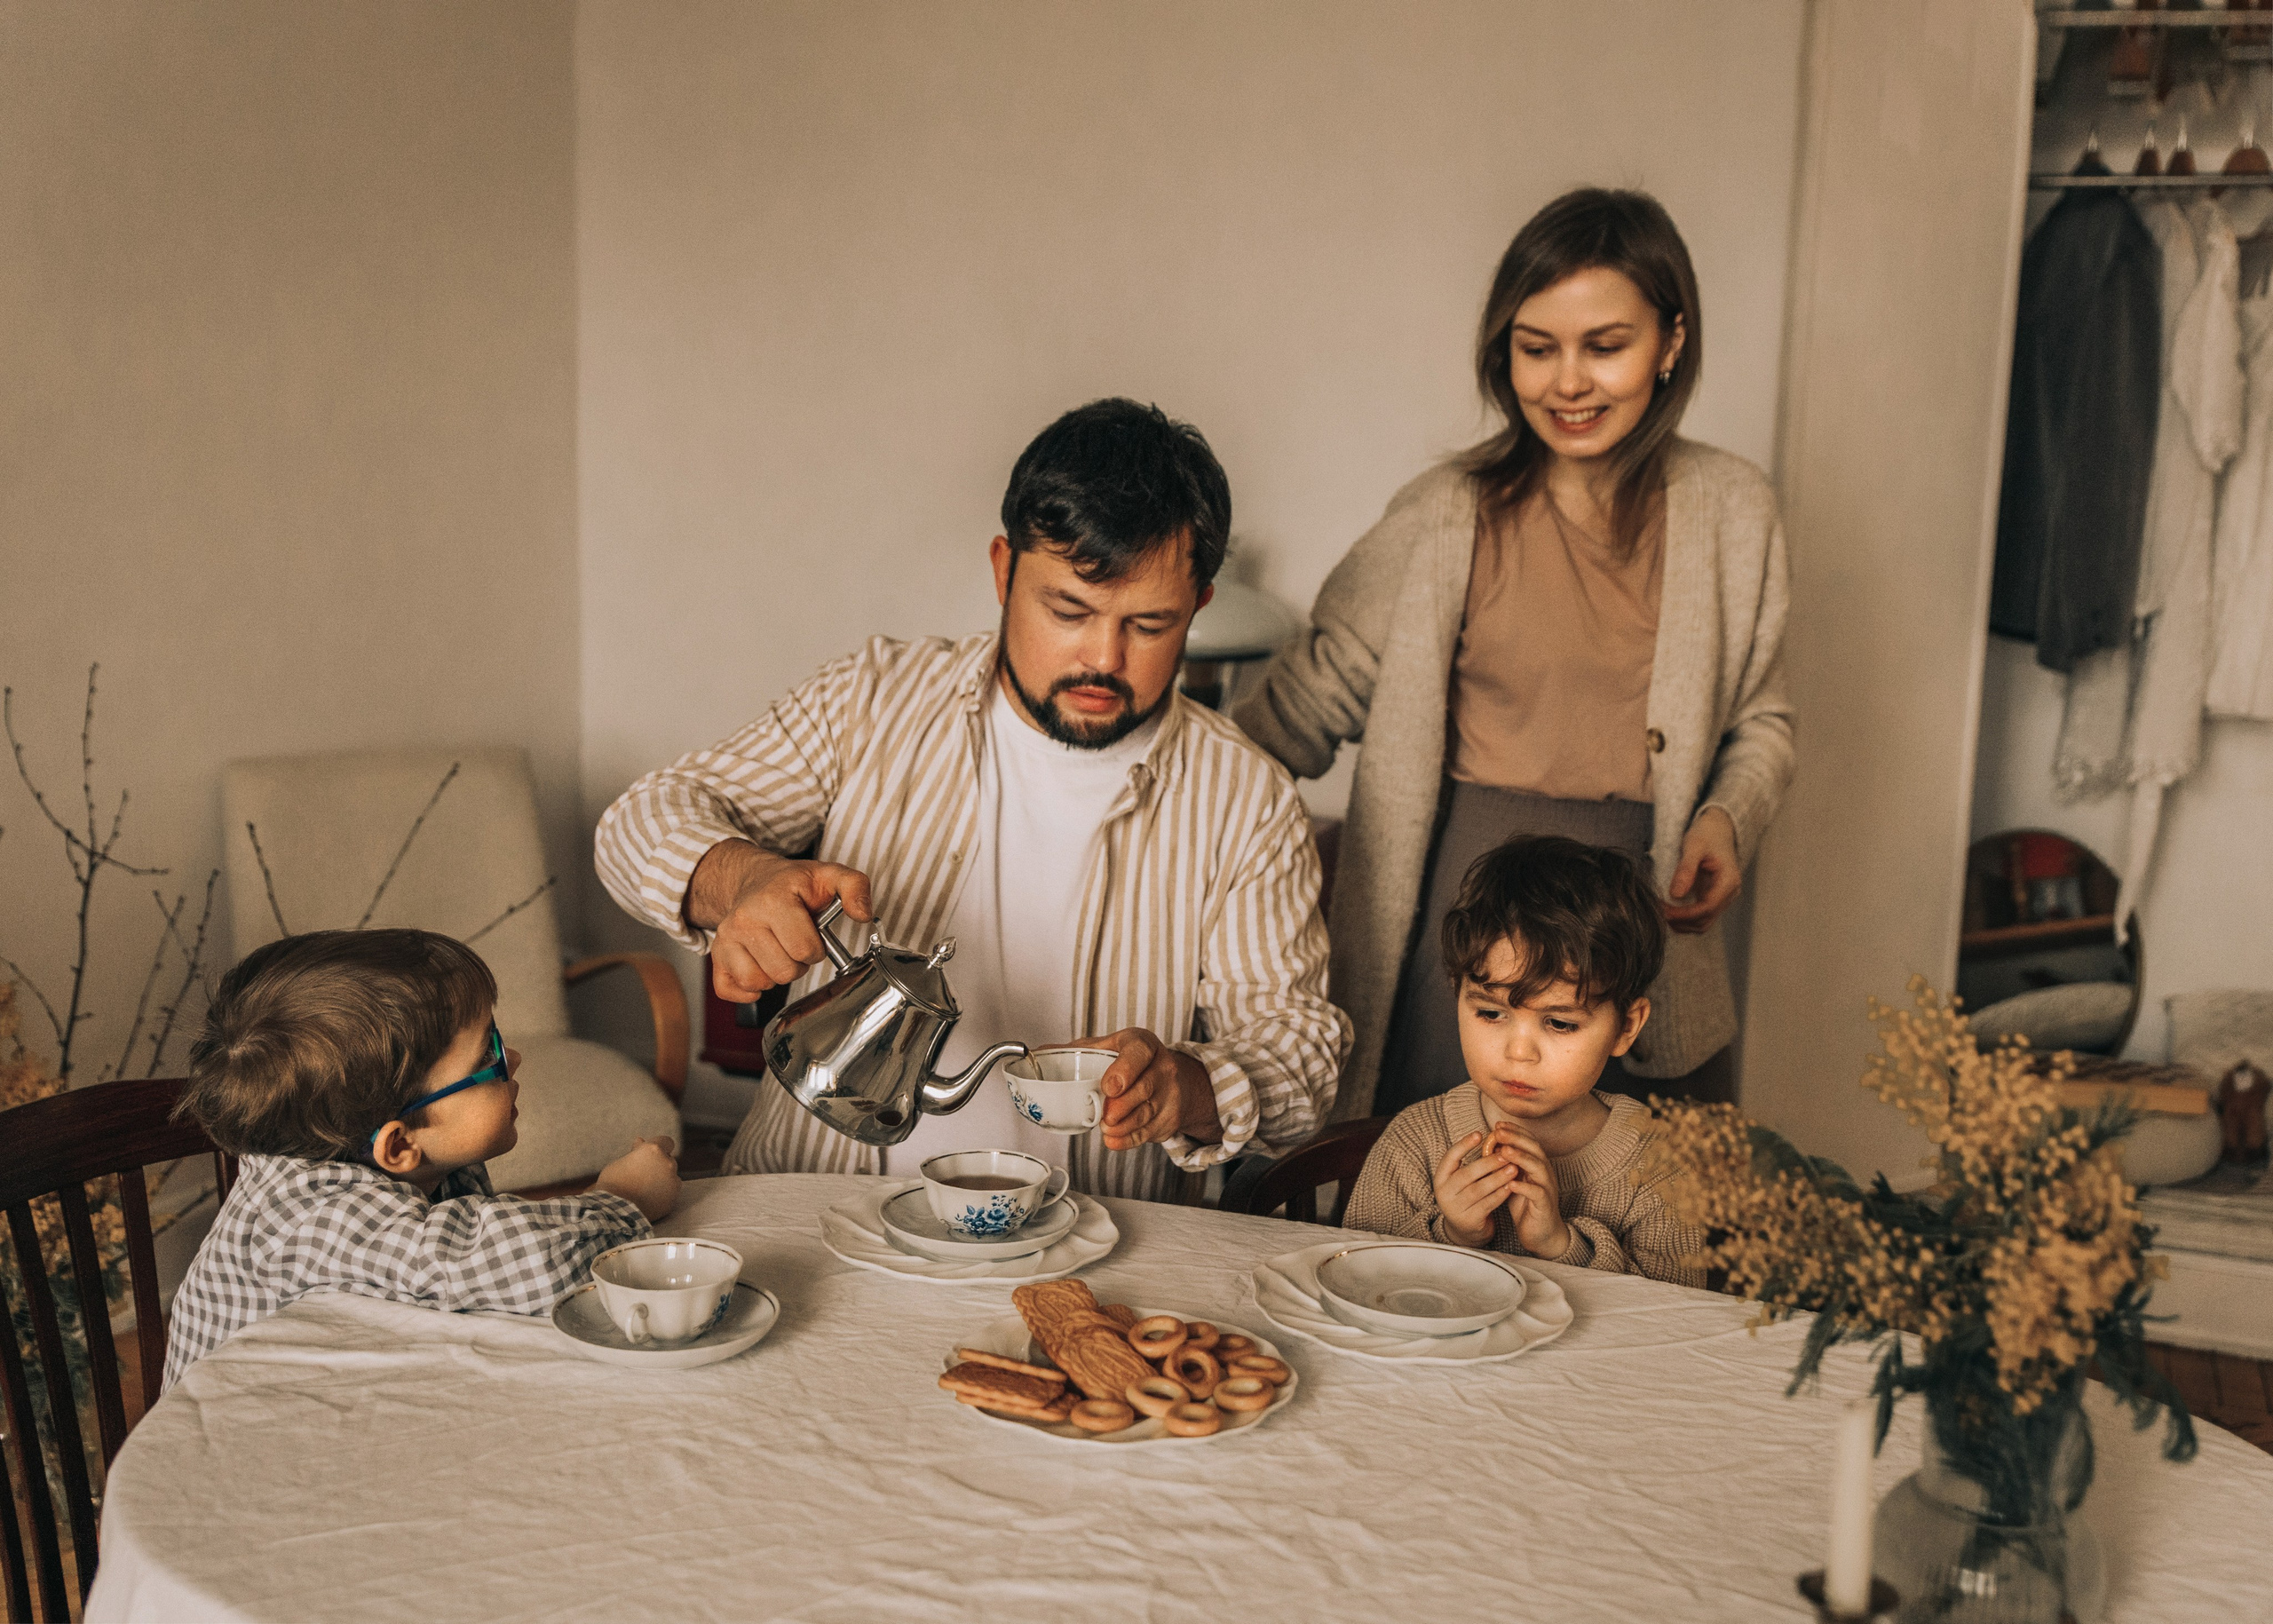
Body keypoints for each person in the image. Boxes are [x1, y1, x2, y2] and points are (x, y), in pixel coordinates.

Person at [596, 398, 1350, 1201]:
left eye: (1150, 624)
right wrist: (737, 879)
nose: (1103, 655)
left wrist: (1188, 1083)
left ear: (1198, 606)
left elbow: (1301, 1052)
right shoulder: (874, 698)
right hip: (810, 1201)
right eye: (1069, 610)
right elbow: (640, 819)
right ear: (1003, 569)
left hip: (1088, 1240)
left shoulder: (1246, 798)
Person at [1232, 186, 1794, 1120]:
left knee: (1642, 1228)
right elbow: (1299, 706)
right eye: (1537, 349)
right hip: (1465, 926)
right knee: (1429, 1207)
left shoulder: (1734, 510)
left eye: (1603, 346)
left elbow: (1761, 718)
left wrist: (1726, 818)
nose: (1567, 382)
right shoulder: (1447, 510)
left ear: (1672, 341)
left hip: (1642, 921)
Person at [162, 929, 679, 1389]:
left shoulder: (417, 1164)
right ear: (399, 1144)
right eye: (487, 1057)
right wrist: (621, 1198)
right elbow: (531, 1263)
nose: (513, 1058)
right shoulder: (317, 1217)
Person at [1343, 836, 1703, 1286]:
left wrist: (1562, 1245)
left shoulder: (1660, 1163)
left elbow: (1678, 1325)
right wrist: (1452, 1233)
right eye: (1491, 1013)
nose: (1518, 1052)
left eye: (1559, 1024)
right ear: (1458, 992)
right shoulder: (1415, 1143)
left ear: (1626, 1027)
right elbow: (1357, 1283)